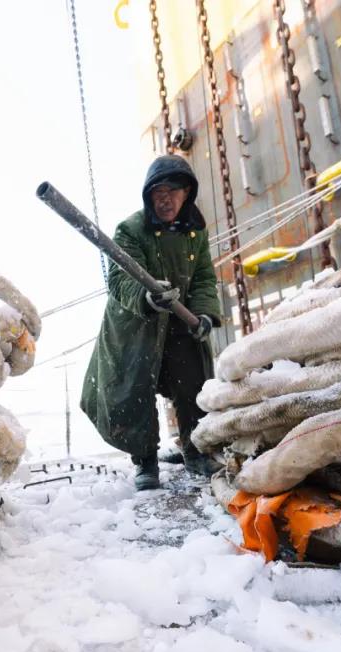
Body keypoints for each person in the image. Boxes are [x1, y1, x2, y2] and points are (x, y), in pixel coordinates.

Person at [81, 154, 224, 490]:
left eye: (174, 191)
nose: (166, 199)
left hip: (179, 321)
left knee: (193, 382)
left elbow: (204, 277)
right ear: (149, 195)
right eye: (159, 192)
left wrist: (204, 314)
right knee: (134, 391)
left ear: (187, 193)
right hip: (137, 323)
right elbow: (119, 280)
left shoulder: (195, 232)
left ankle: (195, 451)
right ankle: (145, 461)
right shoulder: (131, 229)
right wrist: (146, 297)